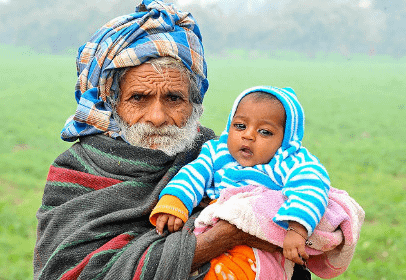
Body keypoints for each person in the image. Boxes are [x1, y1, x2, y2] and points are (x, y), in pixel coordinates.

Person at [33, 1, 312, 279]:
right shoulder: (78, 170)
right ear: (111, 103)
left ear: (194, 104)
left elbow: (299, 219)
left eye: (174, 98)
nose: (157, 117)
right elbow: (68, 271)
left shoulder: (220, 154)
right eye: (138, 98)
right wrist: (224, 237)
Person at [150, 86, 330, 277]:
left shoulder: (290, 161)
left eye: (265, 132)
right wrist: (174, 202)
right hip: (211, 234)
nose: (248, 135)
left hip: (257, 248)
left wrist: (297, 229)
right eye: (240, 126)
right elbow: (194, 173)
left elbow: (311, 187)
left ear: (286, 138)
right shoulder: (218, 151)